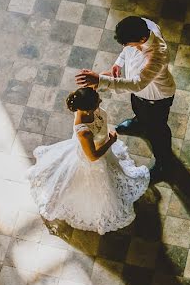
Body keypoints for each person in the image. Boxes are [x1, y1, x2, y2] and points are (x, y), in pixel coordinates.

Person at [26, 87, 150, 235]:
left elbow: (92, 88)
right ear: (87, 109)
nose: (101, 100)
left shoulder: (86, 103)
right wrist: (110, 142)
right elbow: (92, 157)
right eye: (98, 100)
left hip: (103, 145)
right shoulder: (84, 131)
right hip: (94, 159)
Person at [75, 16, 176, 181]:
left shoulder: (158, 54)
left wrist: (100, 80)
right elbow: (127, 49)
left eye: (129, 44)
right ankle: (139, 123)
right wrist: (118, 63)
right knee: (138, 108)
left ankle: (165, 162)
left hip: (155, 98)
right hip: (140, 97)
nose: (126, 47)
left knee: (158, 131)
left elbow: (137, 84)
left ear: (142, 39)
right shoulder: (143, 26)